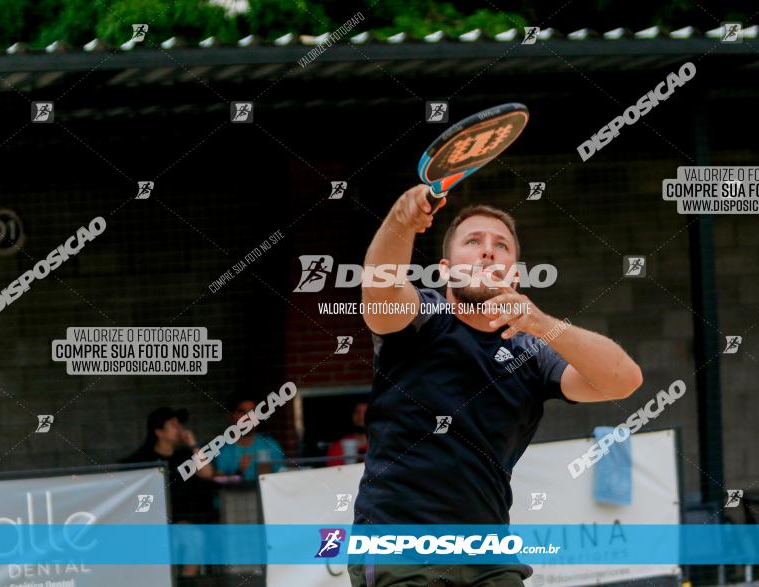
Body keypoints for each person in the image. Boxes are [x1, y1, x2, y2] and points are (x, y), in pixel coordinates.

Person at [348, 185, 644, 587]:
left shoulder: (533, 352)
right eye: (473, 241)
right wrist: (402, 217)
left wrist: (543, 324)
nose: (488, 251)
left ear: (515, 275)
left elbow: (624, 380)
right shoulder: (420, 318)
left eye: (501, 246)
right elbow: (379, 291)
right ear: (444, 268)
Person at [121, 407, 217, 578]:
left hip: (183, 521)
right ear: (159, 432)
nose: (180, 428)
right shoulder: (141, 460)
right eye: (173, 425)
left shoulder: (185, 456)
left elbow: (207, 473)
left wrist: (193, 444)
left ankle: (188, 582)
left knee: (193, 538)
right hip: (152, 524)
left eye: (179, 424)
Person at [213, 393, 286, 480]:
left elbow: (283, 478)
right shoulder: (223, 450)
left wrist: (268, 476)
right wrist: (239, 472)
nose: (248, 417)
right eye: (242, 412)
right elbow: (220, 485)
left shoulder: (271, 445)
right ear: (231, 416)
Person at [326, 401, 368, 466]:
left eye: (366, 412)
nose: (361, 416)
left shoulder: (381, 446)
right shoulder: (337, 446)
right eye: (357, 412)